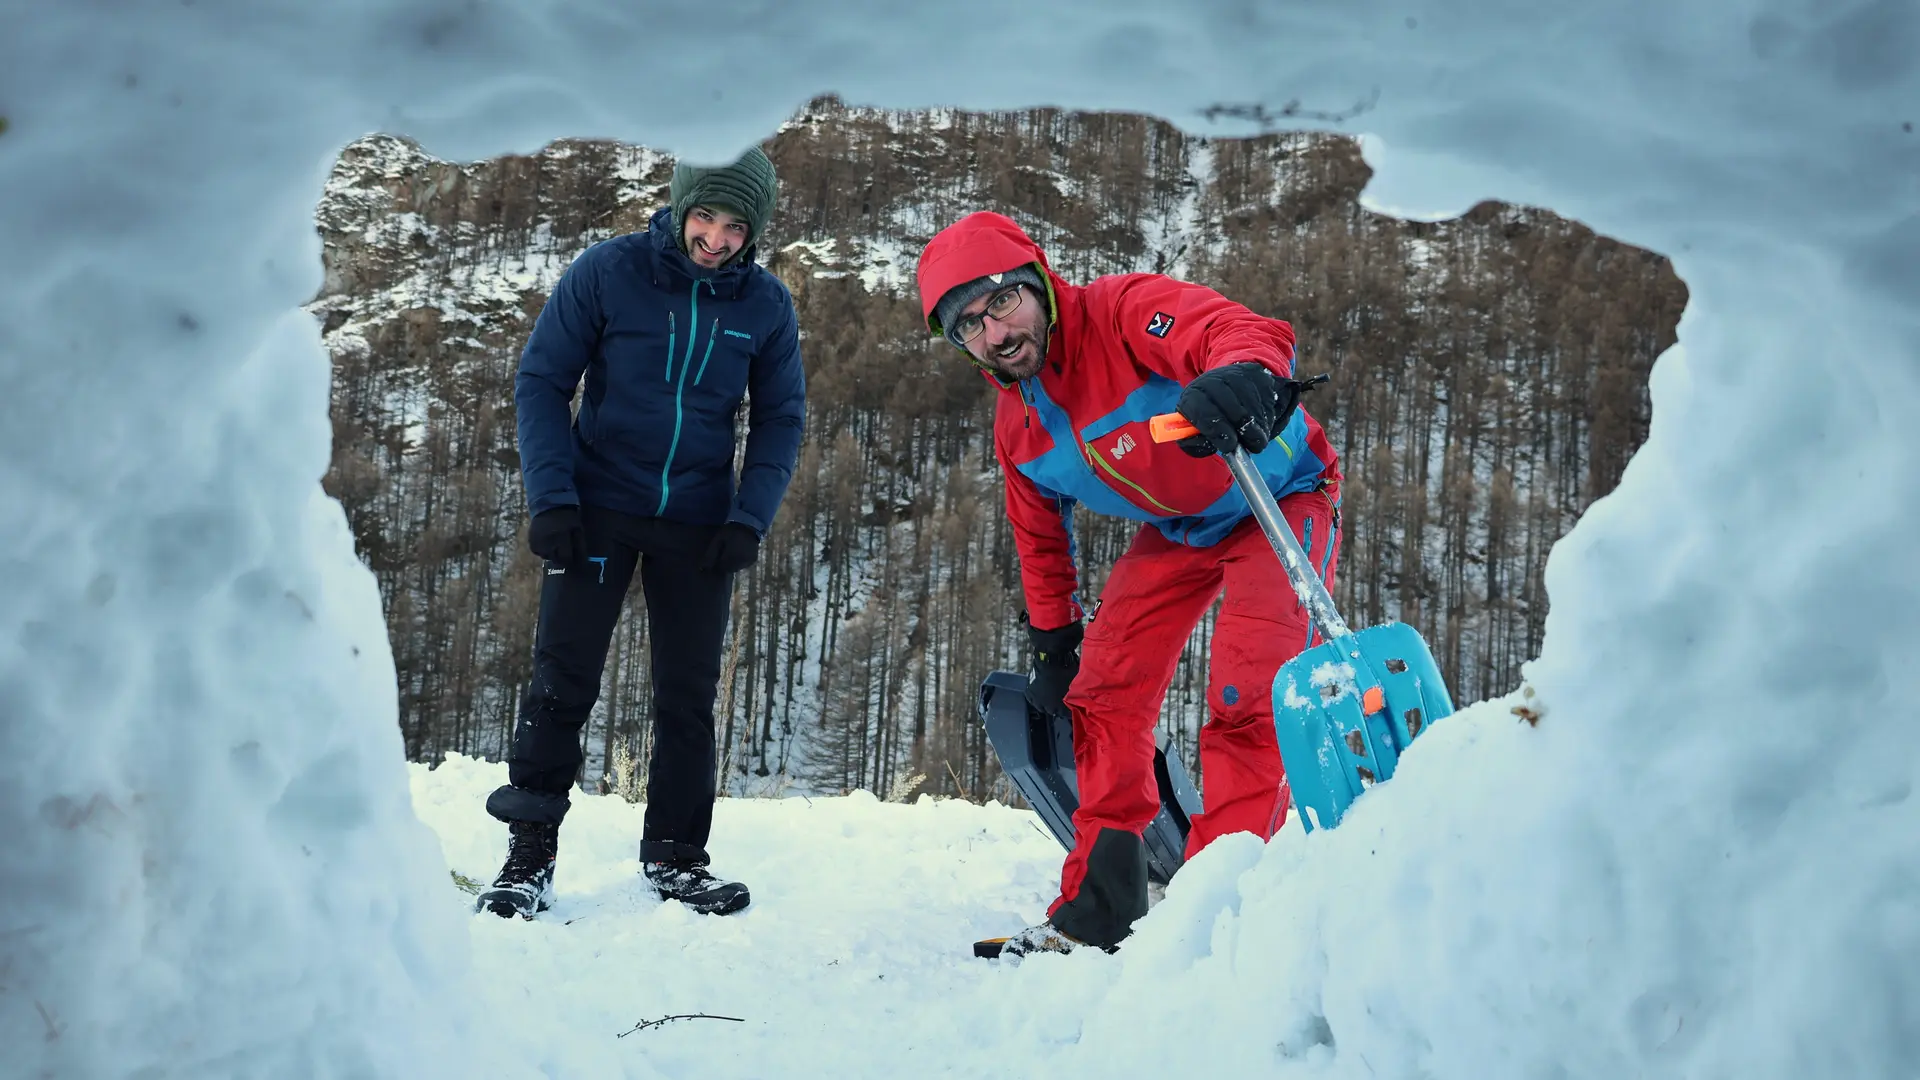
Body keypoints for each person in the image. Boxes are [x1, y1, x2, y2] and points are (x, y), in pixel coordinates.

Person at [915, 212, 1343, 956]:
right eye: (968, 326)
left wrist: (1245, 374)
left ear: (1040, 284)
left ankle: (1220, 924)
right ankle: (1099, 912)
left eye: (1002, 302)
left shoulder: (1116, 314)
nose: (994, 334)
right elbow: (1039, 536)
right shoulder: (1019, 425)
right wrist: (1055, 636)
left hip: (1278, 495)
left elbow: (1226, 328)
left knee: (1246, 699)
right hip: (1180, 529)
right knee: (1100, 700)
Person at [476, 146, 806, 919]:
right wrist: (551, 497)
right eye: (706, 217)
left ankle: (677, 858)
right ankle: (529, 855)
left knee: (686, 697)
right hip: (596, 507)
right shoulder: (609, 273)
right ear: (680, 206)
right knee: (562, 682)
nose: (718, 239)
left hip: (698, 524)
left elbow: (782, 418)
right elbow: (543, 379)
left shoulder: (765, 306)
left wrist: (746, 518)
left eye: (735, 226)